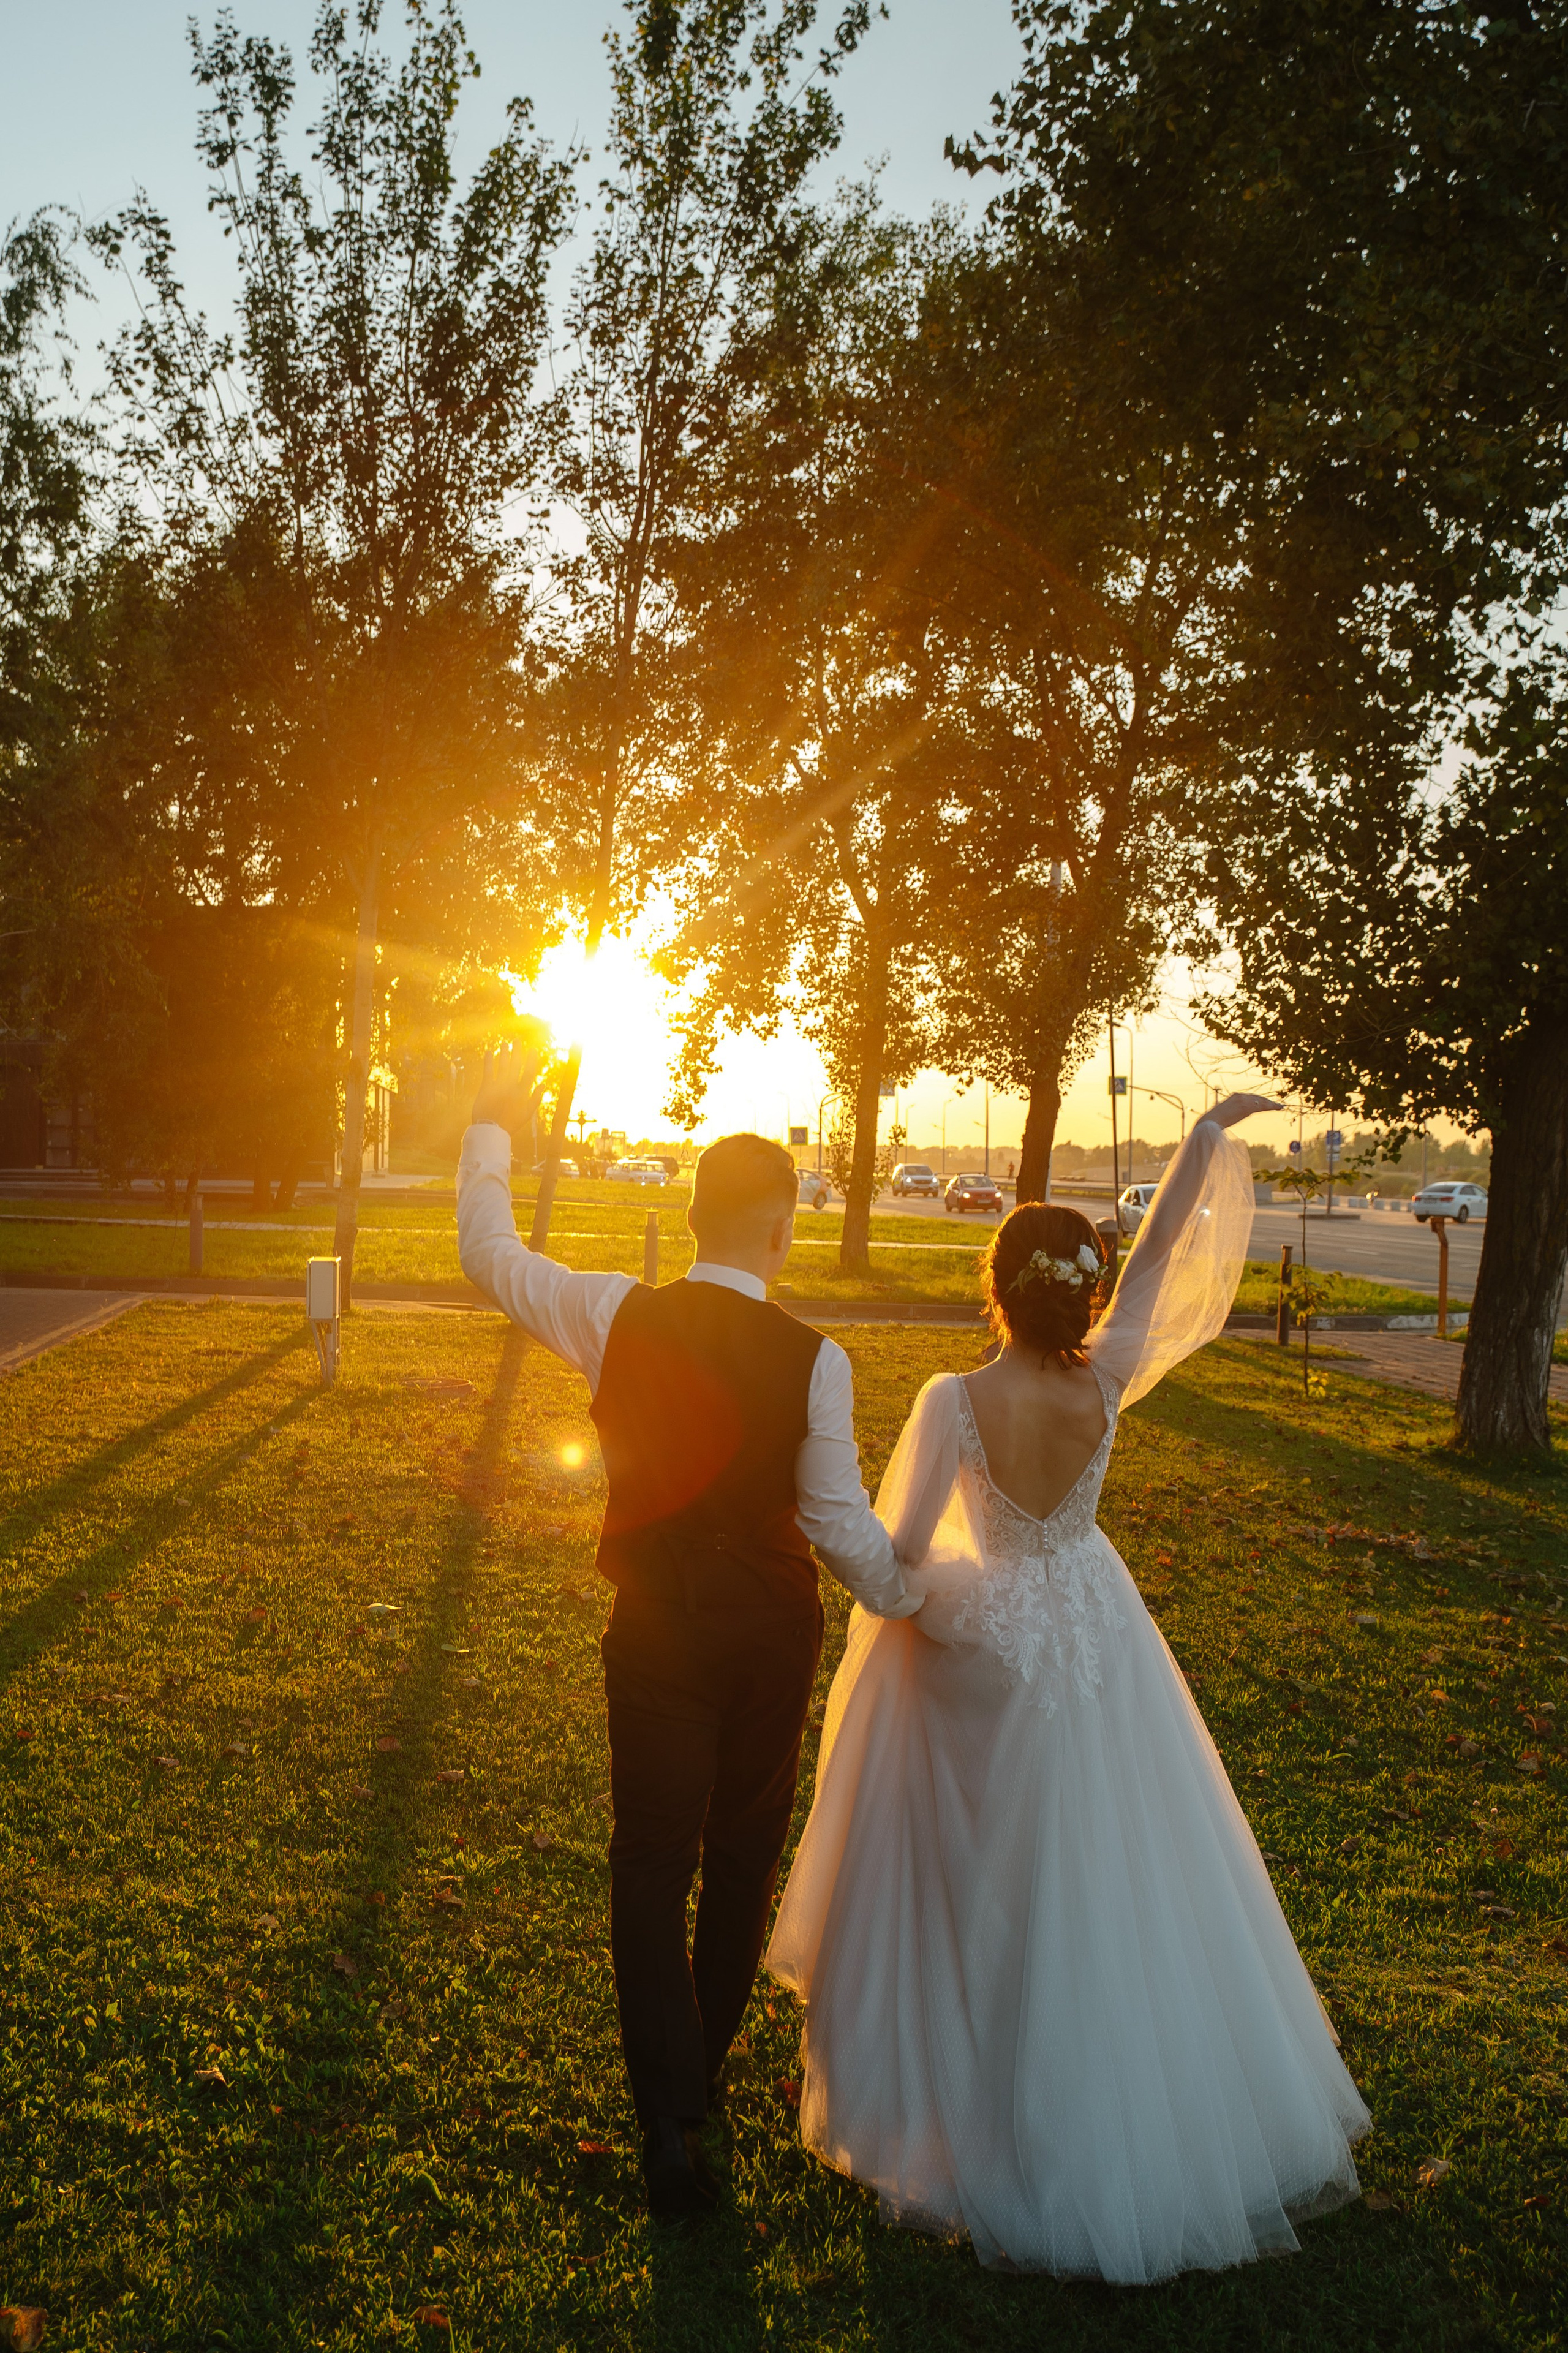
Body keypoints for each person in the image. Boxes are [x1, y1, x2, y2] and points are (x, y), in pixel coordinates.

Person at [766, 1093, 1370, 2283]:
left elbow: (894, 1559)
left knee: (983, 1879)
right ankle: (1127, 2106)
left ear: (999, 1285)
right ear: (1082, 1290)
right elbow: (1152, 1275)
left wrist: (887, 1574)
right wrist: (1198, 1144)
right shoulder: (1106, 1382)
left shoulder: (951, 1400)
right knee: (1118, 1871)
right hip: (1097, 1630)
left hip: (991, 1638)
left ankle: (968, 2110)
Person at [456, 1051, 922, 2221]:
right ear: (781, 1234)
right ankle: (691, 2092)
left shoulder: (620, 1311)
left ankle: (670, 2114)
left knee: (649, 1863)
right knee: (740, 1858)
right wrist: (918, 1596)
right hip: (771, 1637)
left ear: (693, 1215)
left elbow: (491, 1259)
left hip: (656, 1629)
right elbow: (835, 1525)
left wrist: (490, 1137)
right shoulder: (818, 1360)